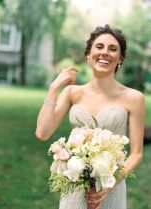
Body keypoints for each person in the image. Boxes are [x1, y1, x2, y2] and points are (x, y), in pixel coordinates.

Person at [35, 24, 145, 209]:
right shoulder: (71, 93)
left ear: (120, 58)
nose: (105, 53)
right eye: (99, 47)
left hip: (111, 188)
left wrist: (110, 184)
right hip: (74, 185)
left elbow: (136, 154)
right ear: (88, 54)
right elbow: (42, 133)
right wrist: (54, 89)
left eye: (113, 49)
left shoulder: (134, 98)